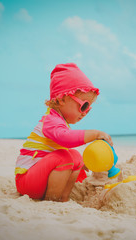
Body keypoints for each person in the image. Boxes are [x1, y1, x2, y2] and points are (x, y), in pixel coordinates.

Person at [15, 63, 112, 202]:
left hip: (40, 179)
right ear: (61, 99)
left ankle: (63, 199)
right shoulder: (50, 120)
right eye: (84, 105)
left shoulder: (60, 122)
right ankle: (52, 200)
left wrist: (87, 163)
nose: (85, 113)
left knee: (75, 156)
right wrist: (95, 134)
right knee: (65, 156)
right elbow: (65, 139)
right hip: (27, 181)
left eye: (88, 108)